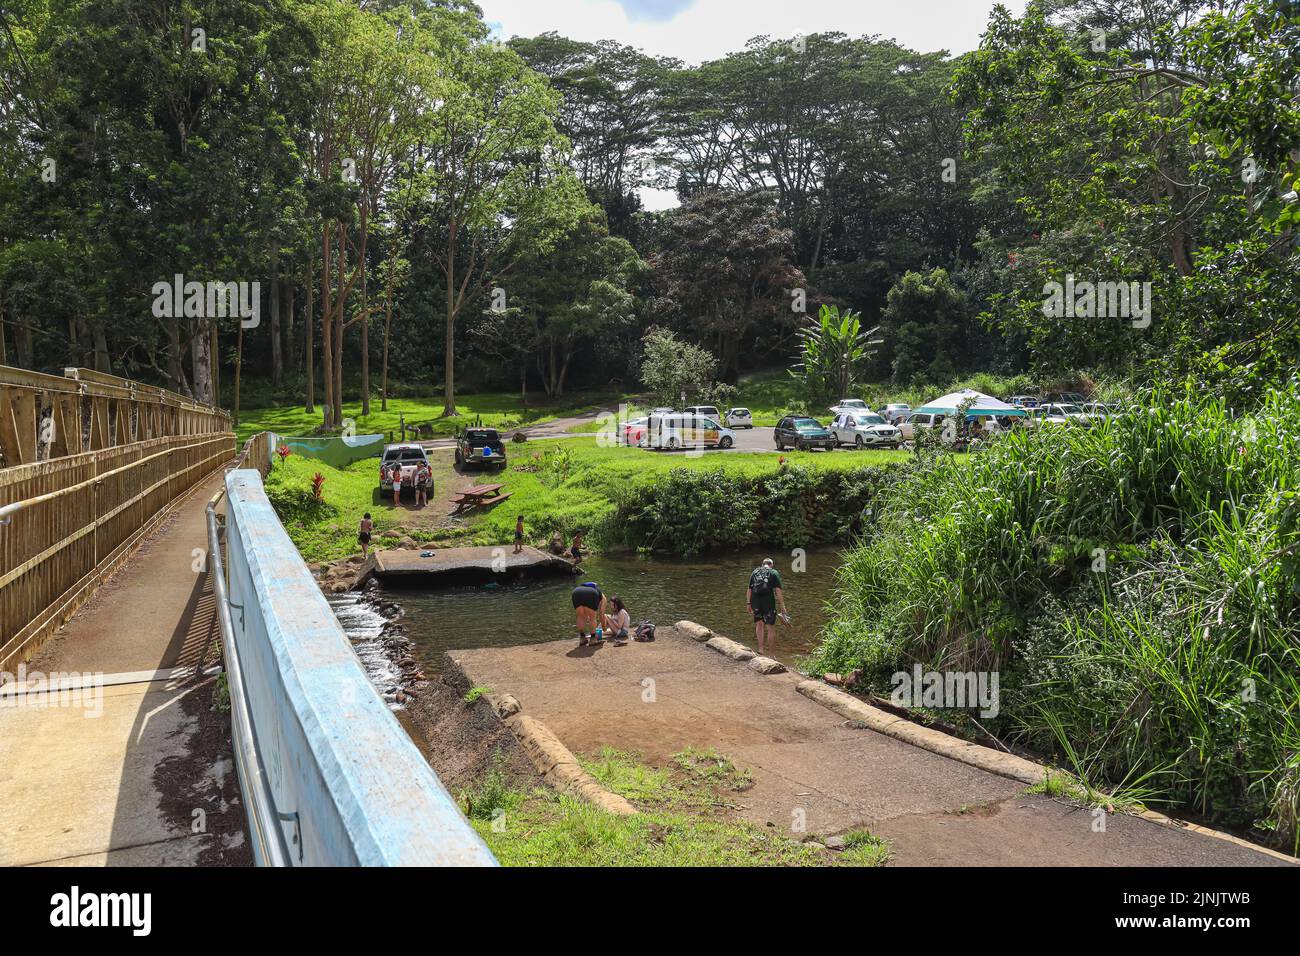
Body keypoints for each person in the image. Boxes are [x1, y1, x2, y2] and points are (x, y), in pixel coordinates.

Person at [746, 557, 787, 658]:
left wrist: (748, 603)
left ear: (762, 564)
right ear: (771, 565)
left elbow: (749, 589)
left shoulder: (755, 572)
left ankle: (760, 650)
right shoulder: (773, 573)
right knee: (770, 628)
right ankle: (772, 655)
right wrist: (782, 606)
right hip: (768, 603)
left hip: (755, 602)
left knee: (759, 624)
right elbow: (778, 590)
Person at [571, 580, 606, 646]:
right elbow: (601, 615)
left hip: (576, 592)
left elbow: (585, 615)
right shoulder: (602, 596)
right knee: (592, 618)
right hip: (591, 593)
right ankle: (593, 639)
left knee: (580, 616)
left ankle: (582, 638)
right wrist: (604, 628)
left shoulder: (582, 587)